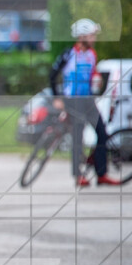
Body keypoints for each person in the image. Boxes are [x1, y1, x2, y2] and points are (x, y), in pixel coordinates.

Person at [49, 18, 120, 187]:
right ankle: (78, 176)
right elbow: (53, 75)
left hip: (88, 100)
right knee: (78, 138)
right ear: (82, 36)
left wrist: (98, 82)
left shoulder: (92, 55)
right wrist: (57, 98)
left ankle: (101, 174)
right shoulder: (68, 54)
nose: (94, 38)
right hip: (73, 102)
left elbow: (93, 75)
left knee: (102, 134)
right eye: (91, 35)